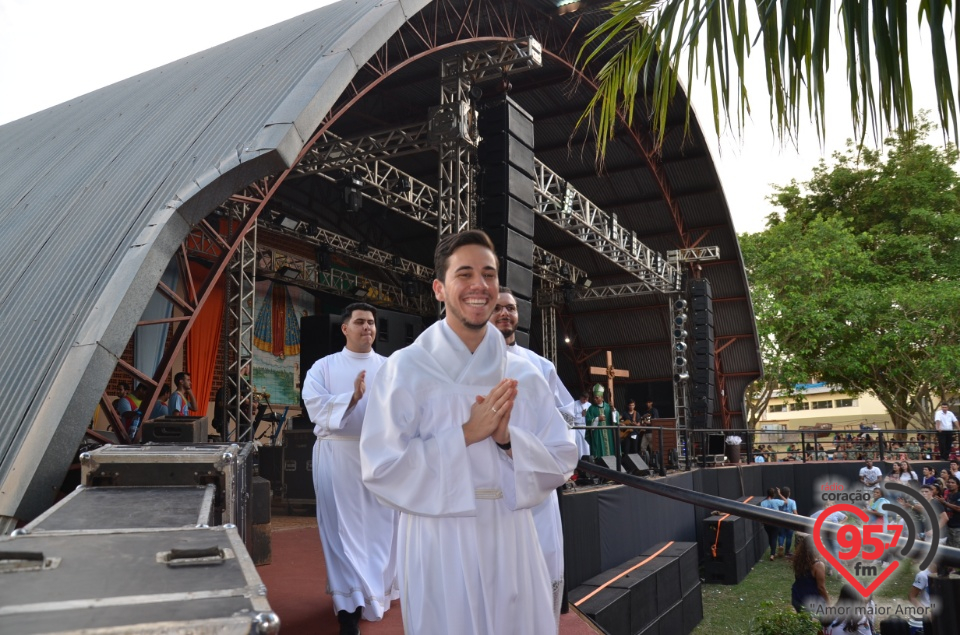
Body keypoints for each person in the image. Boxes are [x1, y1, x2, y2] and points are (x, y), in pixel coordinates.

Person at [359, 230, 578, 635]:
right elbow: (381, 469)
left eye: (489, 274)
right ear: (439, 289)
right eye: (465, 274)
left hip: (511, 534)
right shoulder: (405, 369)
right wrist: (464, 434)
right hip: (438, 537)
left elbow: (562, 456)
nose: (479, 285)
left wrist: (509, 441)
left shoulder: (524, 374)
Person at [303, 302, 399, 634]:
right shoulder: (324, 366)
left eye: (371, 323)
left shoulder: (389, 367)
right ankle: (348, 606)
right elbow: (314, 404)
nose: (367, 328)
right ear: (345, 328)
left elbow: (404, 410)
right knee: (341, 532)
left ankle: (374, 594)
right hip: (337, 454)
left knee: (380, 531)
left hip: (378, 457)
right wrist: (351, 398)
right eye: (359, 322)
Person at [489, 286, 574, 623]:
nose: (504, 313)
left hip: (537, 479)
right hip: (490, 490)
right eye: (497, 308)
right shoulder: (464, 365)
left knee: (543, 562)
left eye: (510, 307)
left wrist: (558, 445)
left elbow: (568, 413)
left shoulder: (539, 365)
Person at [791, 533, 830, 613]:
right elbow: (821, 588)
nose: (823, 544)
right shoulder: (818, 565)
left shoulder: (800, 560)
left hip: (797, 597)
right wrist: (828, 602)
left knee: (803, 622)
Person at [584, 383, 617, 459]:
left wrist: (613, 411)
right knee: (599, 453)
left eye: (597, 397)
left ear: (602, 398)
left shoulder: (608, 407)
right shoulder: (591, 408)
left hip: (609, 433)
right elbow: (588, 421)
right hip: (597, 434)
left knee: (610, 453)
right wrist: (597, 419)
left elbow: (615, 420)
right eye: (594, 398)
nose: (594, 399)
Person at [760, 487, 784, 561]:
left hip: (766, 523)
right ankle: (772, 554)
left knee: (770, 537)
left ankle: (773, 553)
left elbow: (761, 513)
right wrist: (780, 494)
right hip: (775, 522)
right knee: (774, 537)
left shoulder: (763, 503)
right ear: (774, 494)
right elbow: (785, 501)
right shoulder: (776, 501)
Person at [778, 486, 798, 557]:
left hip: (781, 520)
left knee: (781, 535)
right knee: (789, 537)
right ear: (789, 494)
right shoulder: (792, 502)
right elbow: (795, 512)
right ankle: (787, 551)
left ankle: (780, 545)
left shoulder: (779, 502)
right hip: (790, 521)